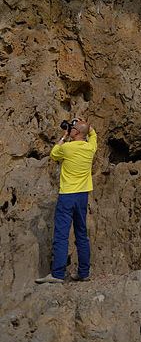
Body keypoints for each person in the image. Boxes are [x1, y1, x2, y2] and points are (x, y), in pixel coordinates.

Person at [35, 119, 97, 284]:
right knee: (81, 234)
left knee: (61, 235)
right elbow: (93, 134)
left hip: (67, 195)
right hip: (82, 196)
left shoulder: (67, 148)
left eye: (73, 127)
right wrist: (85, 126)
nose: (70, 129)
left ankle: (57, 274)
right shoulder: (90, 148)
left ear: (76, 132)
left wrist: (64, 137)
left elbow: (54, 153)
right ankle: (84, 273)